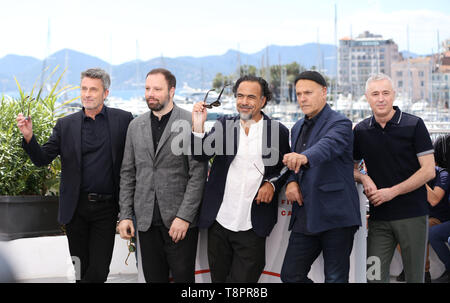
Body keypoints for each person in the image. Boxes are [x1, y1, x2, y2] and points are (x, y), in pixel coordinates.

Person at [16, 68, 134, 282]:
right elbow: (42, 159)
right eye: (84, 88)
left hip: (107, 209)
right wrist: (29, 137)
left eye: (93, 90)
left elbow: (134, 160)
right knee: (80, 270)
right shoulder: (65, 125)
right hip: (76, 210)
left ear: (105, 93)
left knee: (99, 271)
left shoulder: (123, 120)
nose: (87, 94)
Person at [191, 75, 290, 282]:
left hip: (253, 223)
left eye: (251, 97)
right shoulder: (224, 125)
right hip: (220, 220)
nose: (244, 102)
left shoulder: (277, 131)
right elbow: (201, 154)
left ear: (263, 101)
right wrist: (198, 125)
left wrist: (271, 184)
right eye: (240, 96)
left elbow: (285, 169)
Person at [117, 68, 207, 283]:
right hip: (145, 222)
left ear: (172, 91)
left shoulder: (190, 121)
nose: (151, 93)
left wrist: (184, 217)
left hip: (179, 224)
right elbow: (128, 173)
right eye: (148, 88)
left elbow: (198, 175)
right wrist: (125, 215)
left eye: (157, 89)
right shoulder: (135, 126)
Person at [280, 70, 361, 283]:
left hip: (336, 215)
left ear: (324, 92)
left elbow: (327, 147)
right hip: (305, 214)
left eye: (308, 92)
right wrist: (291, 182)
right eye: (298, 94)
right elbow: (294, 167)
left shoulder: (341, 123)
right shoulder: (296, 127)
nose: (302, 98)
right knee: (290, 275)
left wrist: (303, 158)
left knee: (335, 279)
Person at [353, 73, 435, 283]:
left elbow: (428, 171)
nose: (381, 98)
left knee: (415, 277)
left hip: (412, 216)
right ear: (367, 97)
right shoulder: (361, 130)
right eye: (375, 94)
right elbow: (352, 167)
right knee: (373, 276)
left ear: (394, 95)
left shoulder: (414, 124)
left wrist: (392, 192)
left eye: (385, 93)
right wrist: (364, 178)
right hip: (379, 219)